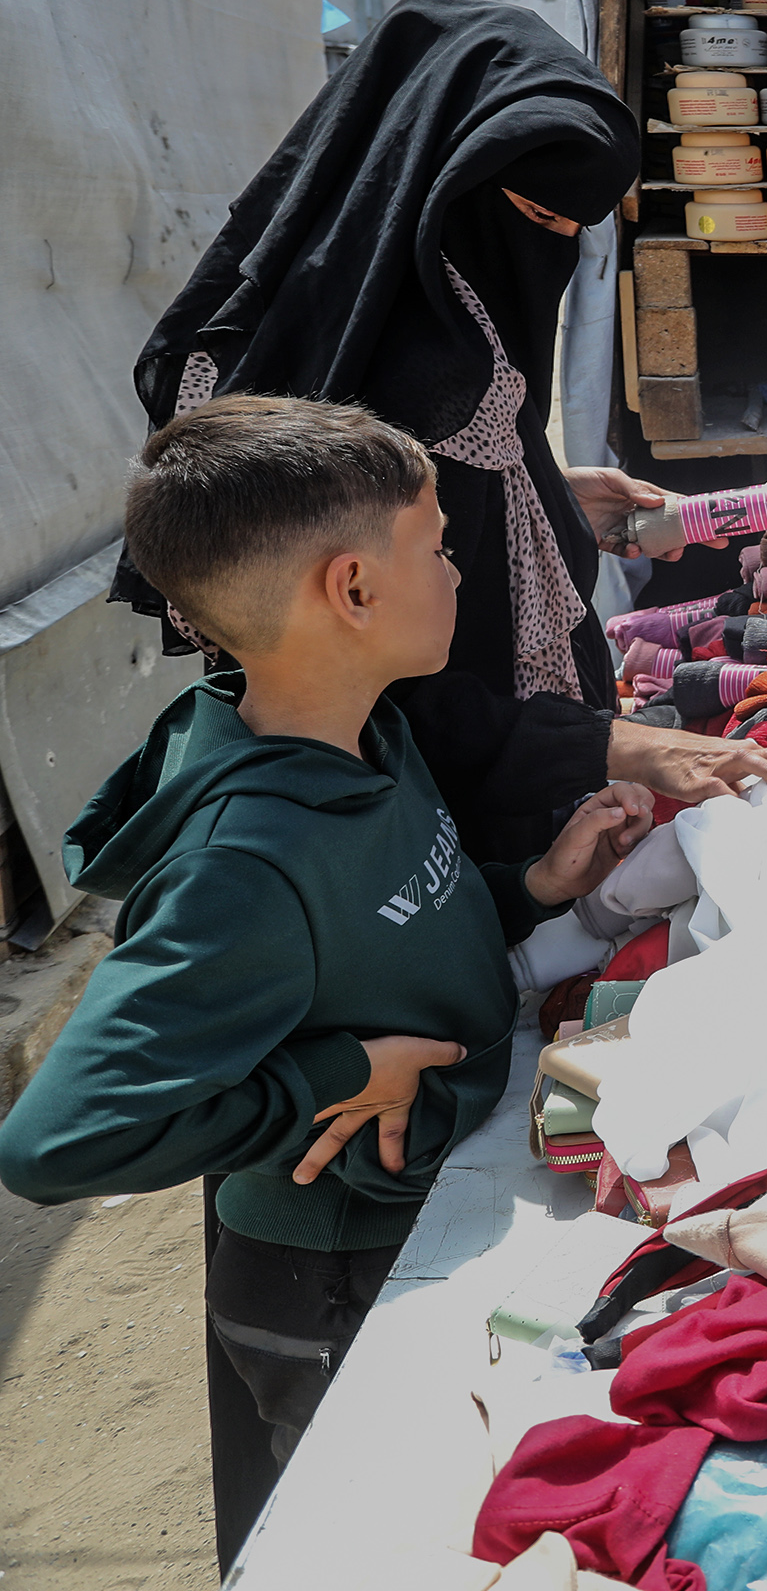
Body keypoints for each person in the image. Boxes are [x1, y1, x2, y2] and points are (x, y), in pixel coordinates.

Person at [0, 396, 653, 1566]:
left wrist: (535, 885)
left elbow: (394, 911)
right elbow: (54, 1140)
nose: (459, 570)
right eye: (440, 546)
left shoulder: (360, 728)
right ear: (353, 590)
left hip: (397, 1228)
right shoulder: (245, 859)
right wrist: (334, 1070)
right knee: (384, 1539)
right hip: (329, 1279)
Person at [122, 0, 767, 858]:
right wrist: (624, 745)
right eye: (537, 219)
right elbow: (370, 690)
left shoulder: (443, 307)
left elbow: (446, 493)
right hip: (421, 822)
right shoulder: (410, 361)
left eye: (575, 230)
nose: (551, 250)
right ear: (445, 175)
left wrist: (545, 496)